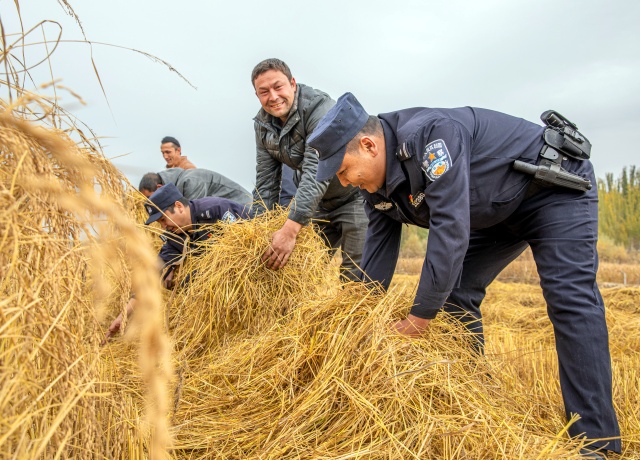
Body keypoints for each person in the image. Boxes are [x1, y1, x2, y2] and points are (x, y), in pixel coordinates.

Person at [307, 92, 621, 457]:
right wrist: (356, 323)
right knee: (455, 294)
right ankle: (476, 401)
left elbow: (450, 230)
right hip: (494, 210)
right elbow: (375, 261)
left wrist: (418, 318)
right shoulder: (375, 190)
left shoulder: (432, 136)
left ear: (368, 145)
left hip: (552, 188)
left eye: (343, 170)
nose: (344, 182)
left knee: (570, 301)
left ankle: (597, 441)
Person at [250, 58, 367, 281]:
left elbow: (317, 169)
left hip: (353, 195)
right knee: (300, 274)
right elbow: (266, 181)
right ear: (257, 96)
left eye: (278, 87)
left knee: (354, 276)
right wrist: (258, 234)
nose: (273, 97)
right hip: (317, 202)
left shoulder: (319, 108)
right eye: (264, 91)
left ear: (292, 83)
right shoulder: (262, 125)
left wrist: (290, 230)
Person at [102, 183, 248, 343]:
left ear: (178, 206)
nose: (164, 227)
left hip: (248, 273)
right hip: (219, 283)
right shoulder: (175, 235)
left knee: (198, 278)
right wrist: (122, 317)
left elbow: (244, 247)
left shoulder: (216, 209)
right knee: (187, 284)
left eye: (164, 219)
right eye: (160, 223)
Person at [138, 167, 252, 206]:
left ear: (159, 187)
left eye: (150, 198)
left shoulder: (190, 182)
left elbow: (193, 220)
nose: (152, 202)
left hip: (248, 210)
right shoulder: (179, 185)